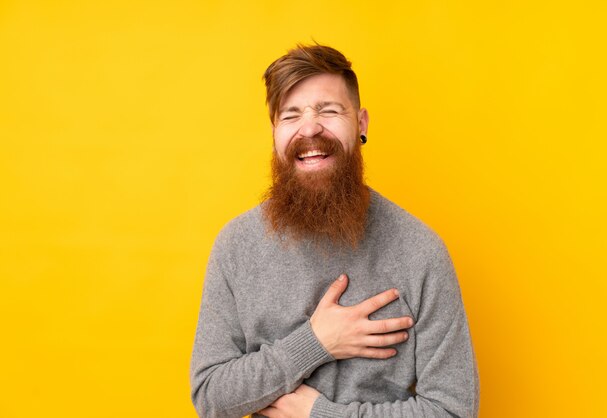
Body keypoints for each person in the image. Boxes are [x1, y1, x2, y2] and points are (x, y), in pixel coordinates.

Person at [190, 44, 479, 418]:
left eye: (328, 110)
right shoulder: (236, 247)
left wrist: (322, 414)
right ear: (275, 131)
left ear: (361, 123)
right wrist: (315, 343)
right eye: (290, 115)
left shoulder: (421, 252)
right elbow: (210, 397)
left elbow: (454, 410)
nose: (310, 127)